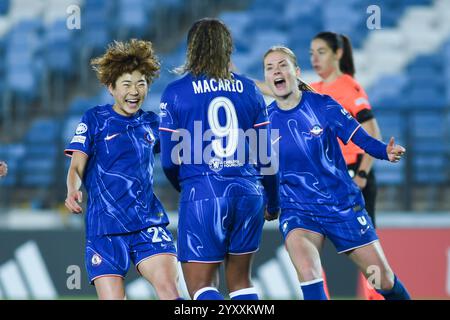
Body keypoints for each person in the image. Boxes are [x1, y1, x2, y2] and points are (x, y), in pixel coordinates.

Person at [262, 45, 410, 300]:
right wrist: (270, 205)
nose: (276, 71)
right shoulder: (264, 122)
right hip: (298, 212)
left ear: (296, 72)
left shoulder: (323, 106)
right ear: (266, 78)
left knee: (382, 280)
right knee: (308, 273)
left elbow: (361, 138)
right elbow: (264, 173)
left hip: (341, 206)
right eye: (269, 67)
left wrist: (385, 152)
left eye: (282, 65)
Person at [159, 18, 280, 300]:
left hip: (203, 192)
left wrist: (189, 186)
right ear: (228, 49)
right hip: (249, 193)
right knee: (241, 283)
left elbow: (168, 160)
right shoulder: (250, 89)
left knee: (201, 287)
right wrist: (273, 201)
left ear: (191, 48)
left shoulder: (176, 92)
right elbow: (266, 155)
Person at [64, 39, 182, 300]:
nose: (135, 90)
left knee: (171, 292)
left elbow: (185, 147)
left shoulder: (151, 123)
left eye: (141, 83)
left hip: (146, 224)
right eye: (127, 84)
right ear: (111, 87)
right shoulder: (95, 119)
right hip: (104, 229)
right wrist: (72, 190)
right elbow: (76, 165)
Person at [309, 31, 383, 300]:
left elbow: (373, 131)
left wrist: (362, 174)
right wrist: (243, 80)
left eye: (321, 52)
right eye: (311, 53)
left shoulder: (349, 87)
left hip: (354, 176)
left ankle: (375, 297)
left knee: (366, 248)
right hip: (331, 179)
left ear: (337, 54)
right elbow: (279, 87)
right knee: (315, 244)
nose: (315, 58)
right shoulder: (315, 91)